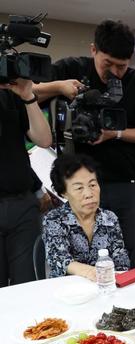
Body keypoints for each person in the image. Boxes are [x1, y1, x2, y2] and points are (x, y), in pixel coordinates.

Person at [33, 20, 135, 268]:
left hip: (126, 181)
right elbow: (28, 92)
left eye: (121, 66)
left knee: (129, 251)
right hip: (79, 183)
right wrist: (59, 86)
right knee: (79, 256)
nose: (114, 72)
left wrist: (116, 134)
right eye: (107, 64)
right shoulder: (70, 68)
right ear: (94, 50)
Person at [0, 77, 52, 287]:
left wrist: (28, 97)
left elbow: (43, 140)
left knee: (30, 284)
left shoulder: (10, 97)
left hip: (21, 205)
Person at [43, 154, 129, 280]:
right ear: (63, 193)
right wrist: (91, 273)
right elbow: (59, 259)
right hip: (68, 291)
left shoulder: (109, 218)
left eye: (92, 185)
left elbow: (121, 263)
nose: (89, 194)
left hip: (106, 286)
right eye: (79, 188)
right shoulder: (54, 220)